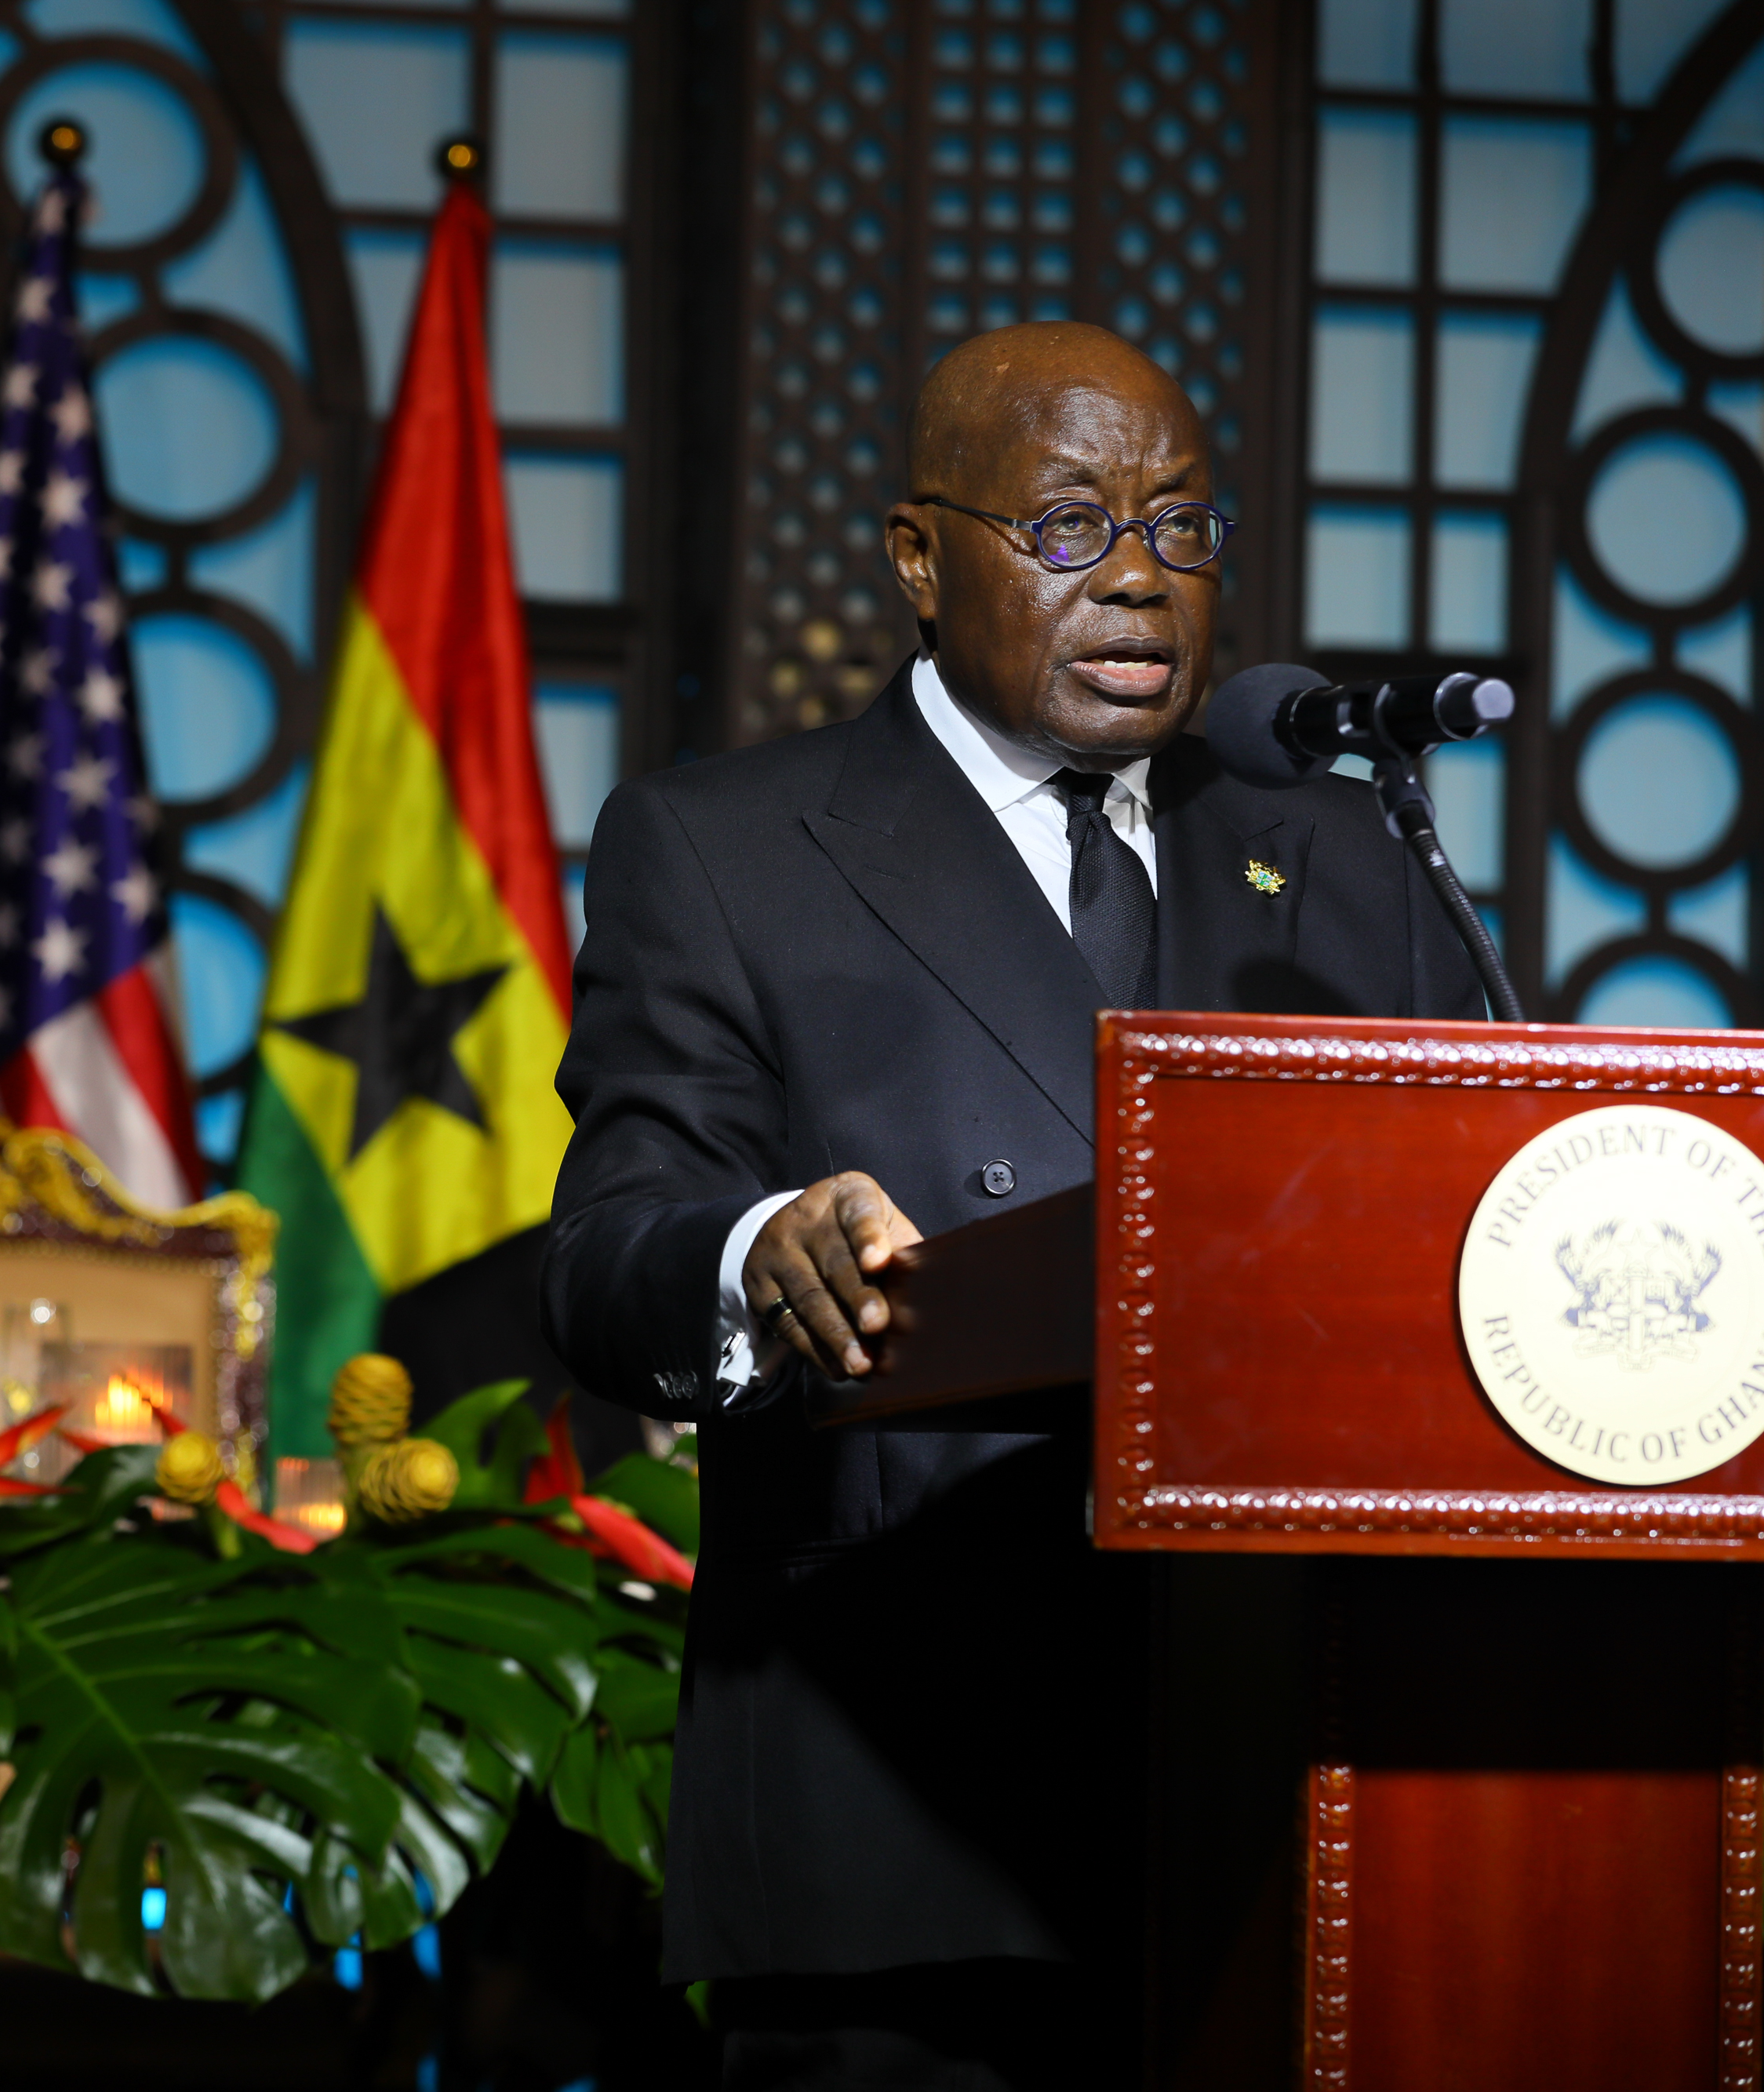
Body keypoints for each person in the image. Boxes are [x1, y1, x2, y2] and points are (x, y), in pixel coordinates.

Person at [539, 323, 1487, 2089]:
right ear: (916, 556)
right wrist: (761, 1255)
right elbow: (605, 1253)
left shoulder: (1338, 855)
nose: (1134, 577)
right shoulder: (725, 846)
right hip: (903, 1811)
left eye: (1180, 529)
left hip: (1291, 1805)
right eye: (1065, 528)